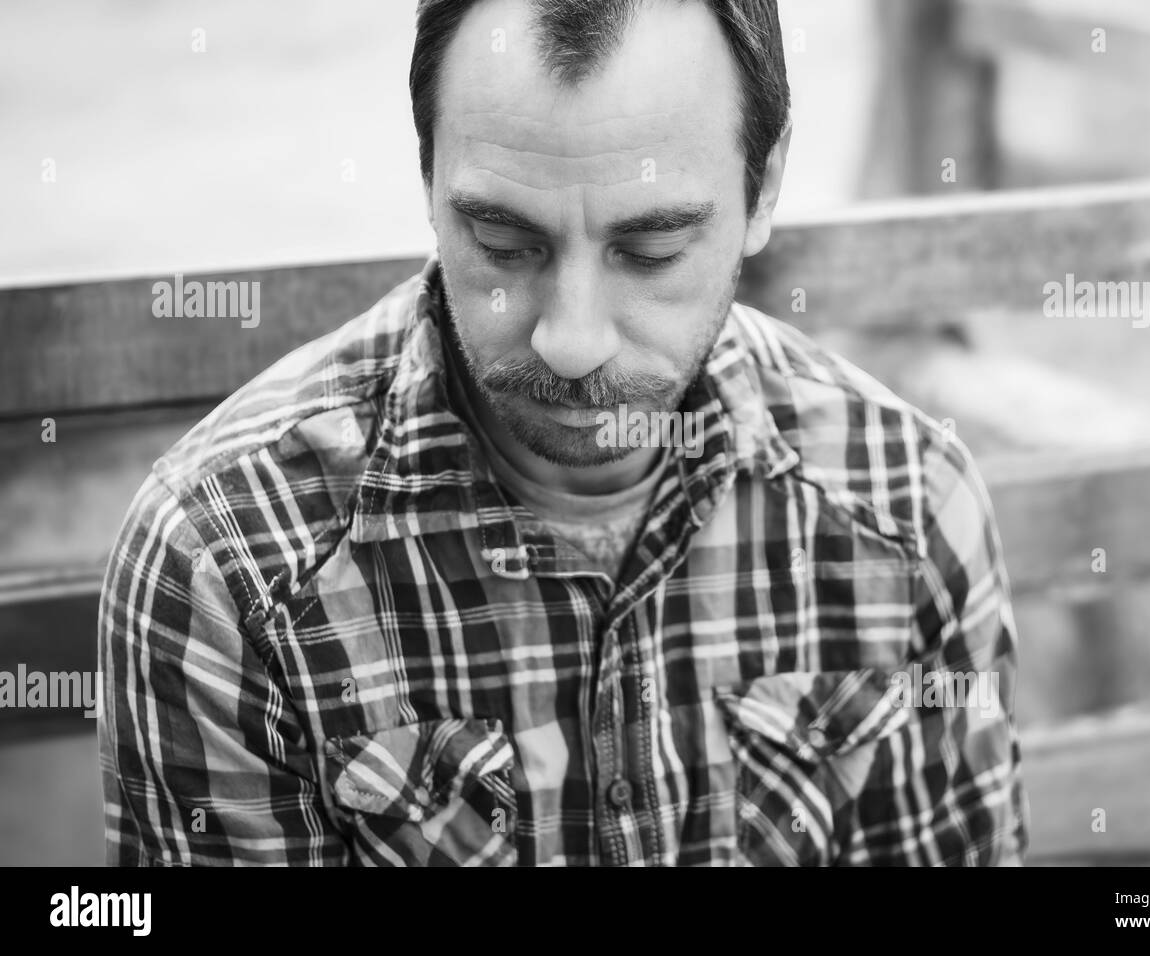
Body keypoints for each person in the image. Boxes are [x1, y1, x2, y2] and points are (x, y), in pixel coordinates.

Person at [98, 0, 1028, 866]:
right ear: (426, 175)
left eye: (650, 252)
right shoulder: (228, 563)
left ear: (766, 185)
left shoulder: (903, 502)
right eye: (504, 246)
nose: (571, 341)